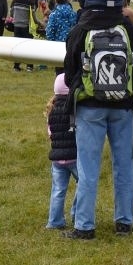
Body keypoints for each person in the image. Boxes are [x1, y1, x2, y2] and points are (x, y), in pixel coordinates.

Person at [62, 0, 133, 240]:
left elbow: (69, 67)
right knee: (124, 166)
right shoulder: (123, 24)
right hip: (124, 104)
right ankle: (124, 222)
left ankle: (85, 226)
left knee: (88, 167)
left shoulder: (82, 26)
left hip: (89, 105)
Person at [45, 72, 78, 229]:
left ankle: (54, 221)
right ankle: (77, 214)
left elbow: (50, 133)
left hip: (57, 159)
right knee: (84, 184)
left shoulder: (51, 110)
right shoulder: (75, 109)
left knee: (58, 190)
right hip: (74, 156)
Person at [9, 0, 34, 72]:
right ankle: (29, 66)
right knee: (28, 47)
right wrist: (41, 23)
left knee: (17, 46)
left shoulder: (15, 1)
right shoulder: (30, 3)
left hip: (16, 26)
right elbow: (32, 17)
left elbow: (11, 13)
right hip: (25, 27)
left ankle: (16, 66)